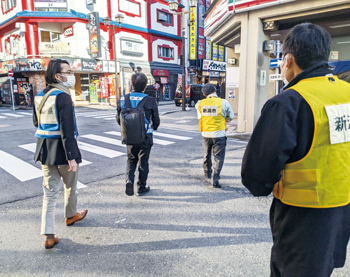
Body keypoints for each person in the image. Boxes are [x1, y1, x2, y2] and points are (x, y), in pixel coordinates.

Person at [241, 23, 350, 276]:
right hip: (341, 208)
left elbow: (256, 177)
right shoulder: (346, 92)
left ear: (288, 60)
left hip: (302, 218)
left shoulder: (288, 102)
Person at [33, 59, 88, 249]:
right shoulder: (63, 96)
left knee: (49, 193)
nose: (71, 75)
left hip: (44, 149)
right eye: (69, 71)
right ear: (58, 76)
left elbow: (36, 122)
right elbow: (68, 130)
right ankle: (71, 215)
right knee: (70, 186)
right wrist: (72, 157)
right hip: (63, 150)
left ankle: (49, 236)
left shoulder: (39, 95)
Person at [117, 73, 160, 196]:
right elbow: (156, 121)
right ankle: (141, 187)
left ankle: (129, 180)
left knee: (131, 159)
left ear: (131, 84)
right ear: (145, 86)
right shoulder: (150, 100)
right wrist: (154, 126)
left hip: (130, 136)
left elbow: (118, 119)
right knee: (144, 162)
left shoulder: (123, 99)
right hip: (146, 137)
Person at [195, 84, 234, 188]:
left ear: (204, 94)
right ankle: (215, 179)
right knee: (218, 157)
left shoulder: (199, 103)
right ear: (215, 90)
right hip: (219, 134)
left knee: (206, 154)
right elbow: (231, 117)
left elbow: (200, 117)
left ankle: (207, 173)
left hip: (205, 134)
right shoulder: (224, 102)